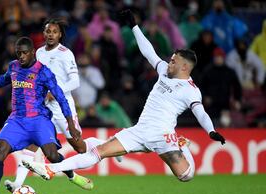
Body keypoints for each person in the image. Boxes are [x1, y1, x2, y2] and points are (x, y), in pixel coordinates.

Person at [22, 10, 226, 184]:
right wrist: (135, 26)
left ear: (184, 67)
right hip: (140, 130)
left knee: (186, 175)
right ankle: (51, 169)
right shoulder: (164, 70)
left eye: (173, 61)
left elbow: (200, 112)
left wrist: (211, 131)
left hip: (163, 135)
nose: (168, 62)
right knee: (97, 153)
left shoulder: (191, 90)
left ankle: (181, 144)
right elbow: (148, 51)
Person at [0, 37, 93, 194]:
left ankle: (72, 176)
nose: (21, 56)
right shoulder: (14, 67)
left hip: (39, 120)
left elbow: (60, 97)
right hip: (17, 120)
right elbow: (2, 80)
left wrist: (70, 122)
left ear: (33, 52)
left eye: (24, 52)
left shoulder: (43, 72)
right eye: (18, 53)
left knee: (52, 154)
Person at [4, 18, 119, 192]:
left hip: (62, 108)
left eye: (54, 32)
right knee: (32, 143)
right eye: (48, 31)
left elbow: (75, 81)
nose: (50, 35)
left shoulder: (66, 53)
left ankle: (109, 144)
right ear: (43, 33)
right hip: (42, 109)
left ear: (60, 35)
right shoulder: (39, 53)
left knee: (80, 147)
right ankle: (17, 184)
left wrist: (54, 91)